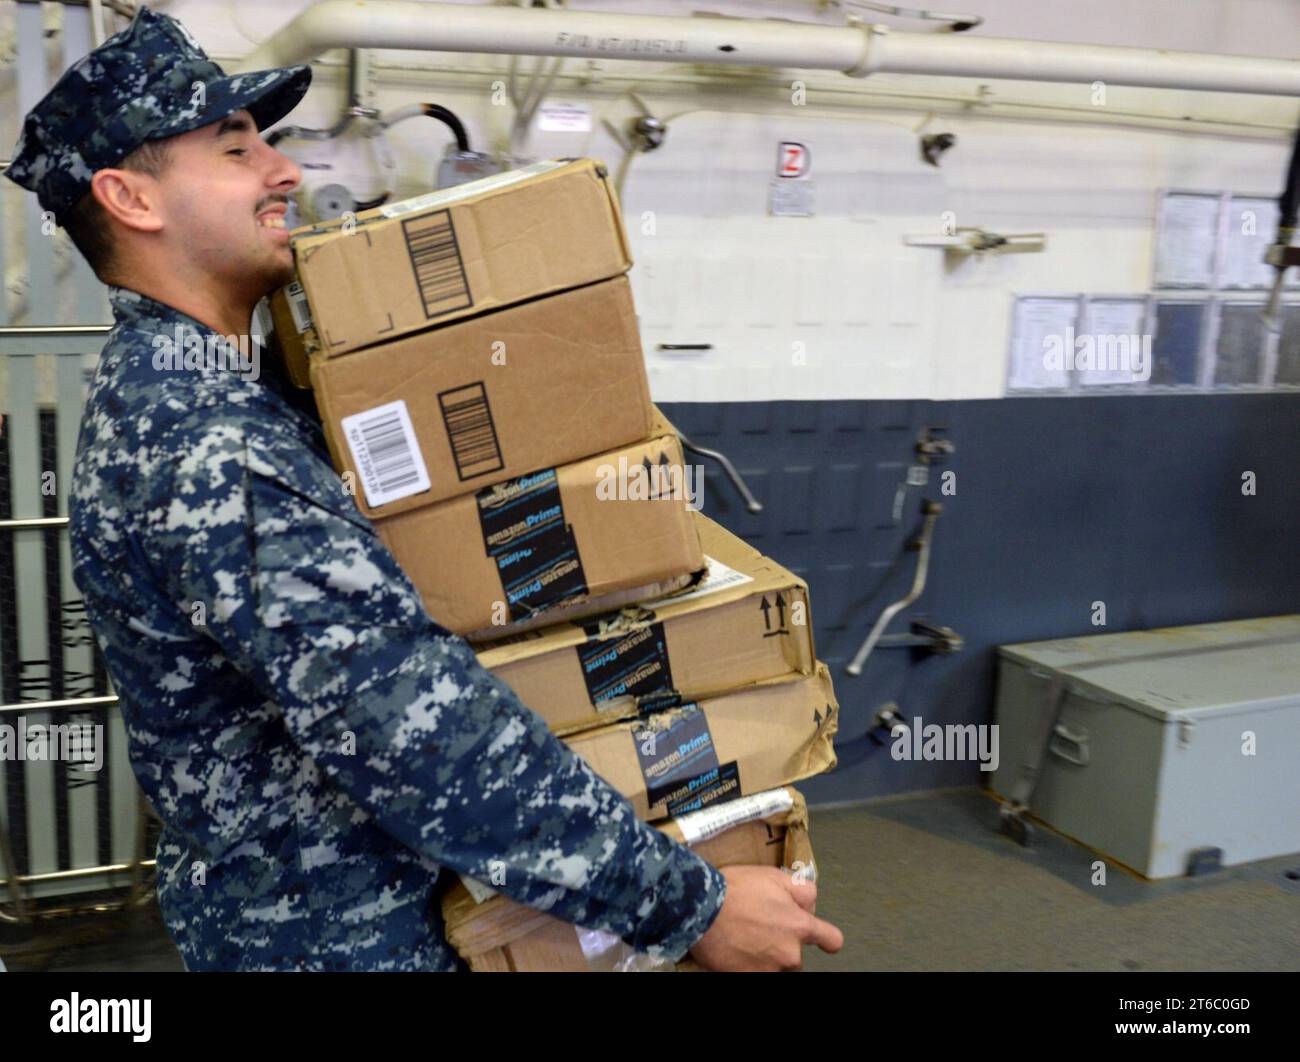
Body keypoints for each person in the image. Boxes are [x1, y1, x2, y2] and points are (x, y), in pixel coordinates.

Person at [3, 6, 843, 971]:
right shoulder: (207, 443)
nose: (283, 172)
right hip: (334, 942)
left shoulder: (222, 395)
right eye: (235, 151)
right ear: (131, 200)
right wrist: (688, 905)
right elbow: (415, 731)